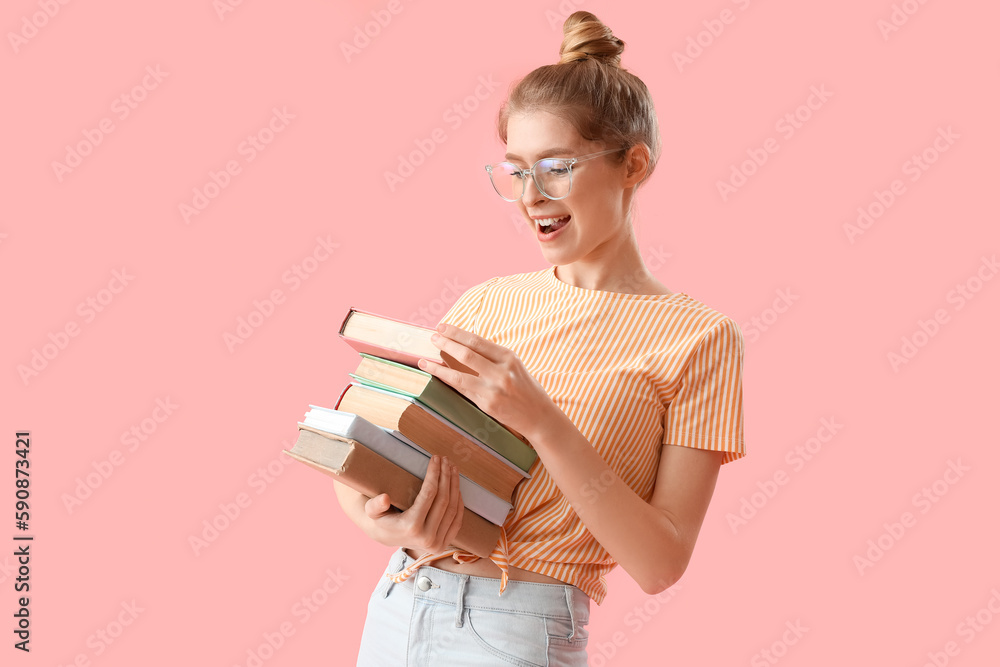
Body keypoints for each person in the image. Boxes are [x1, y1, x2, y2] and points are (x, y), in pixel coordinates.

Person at [338, 11, 747, 665]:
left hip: (517, 627)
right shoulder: (488, 303)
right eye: (516, 171)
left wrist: (543, 420)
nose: (532, 195)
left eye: (555, 167)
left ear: (633, 165)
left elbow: (661, 561)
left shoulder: (700, 338)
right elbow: (385, 453)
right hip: (400, 601)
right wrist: (386, 519)